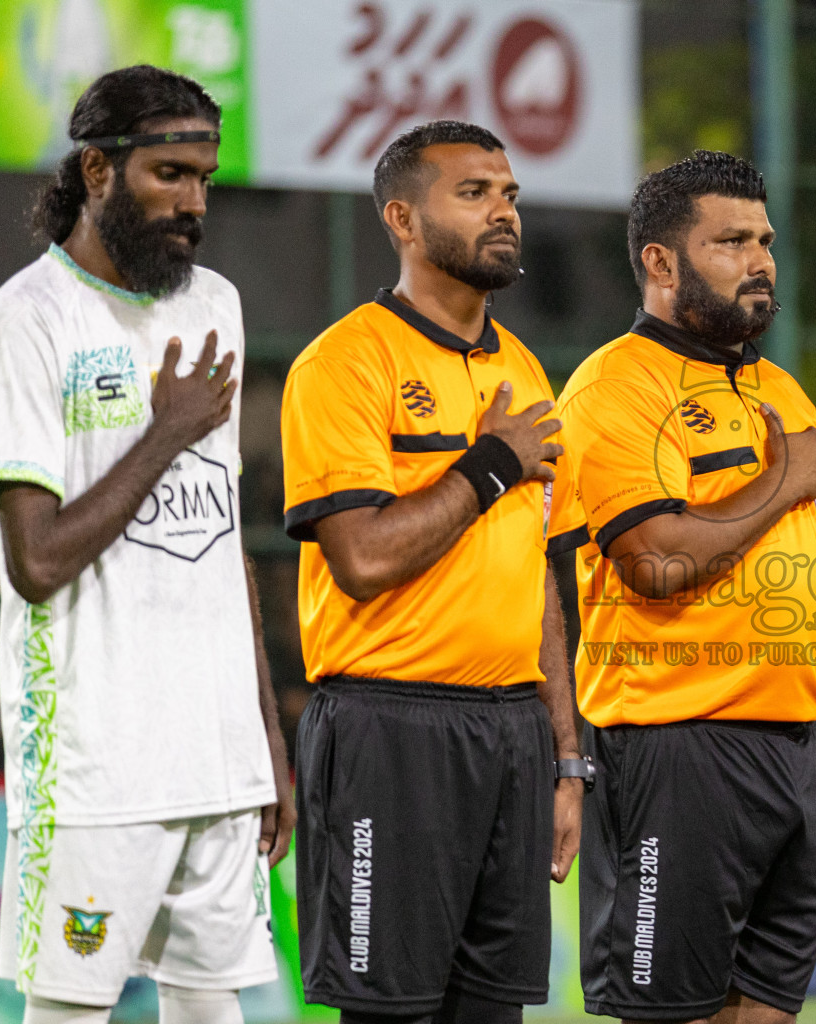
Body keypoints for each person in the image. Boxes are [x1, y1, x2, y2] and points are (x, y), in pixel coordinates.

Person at [551, 150, 816, 1024]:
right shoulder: (611, 386)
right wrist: (781, 483)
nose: (761, 260)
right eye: (731, 241)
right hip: (677, 750)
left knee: (770, 1011)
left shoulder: (781, 391)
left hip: (799, 752)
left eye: (766, 240)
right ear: (661, 263)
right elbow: (654, 563)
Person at [0, 65, 293, 1024]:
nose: (194, 203)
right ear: (98, 170)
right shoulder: (27, 321)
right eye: (169, 175)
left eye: (205, 177)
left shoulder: (215, 305)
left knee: (214, 1008)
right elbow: (36, 562)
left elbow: (221, 529)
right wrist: (166, 430)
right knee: (69, 1011)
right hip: (93, 764)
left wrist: (263, 738)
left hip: (216, 754)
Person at [278, 121, 583, 1024]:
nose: (504, 211)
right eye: (475, 192)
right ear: (403, 219)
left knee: (495, 1013)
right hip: (388, 731)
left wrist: (568, 758)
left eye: (511, 194)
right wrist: (489, 465)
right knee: (392, 1013)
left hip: (512, 737)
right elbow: (364, 558)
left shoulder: (525, 372)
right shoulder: (344, 361)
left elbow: (539, 587)